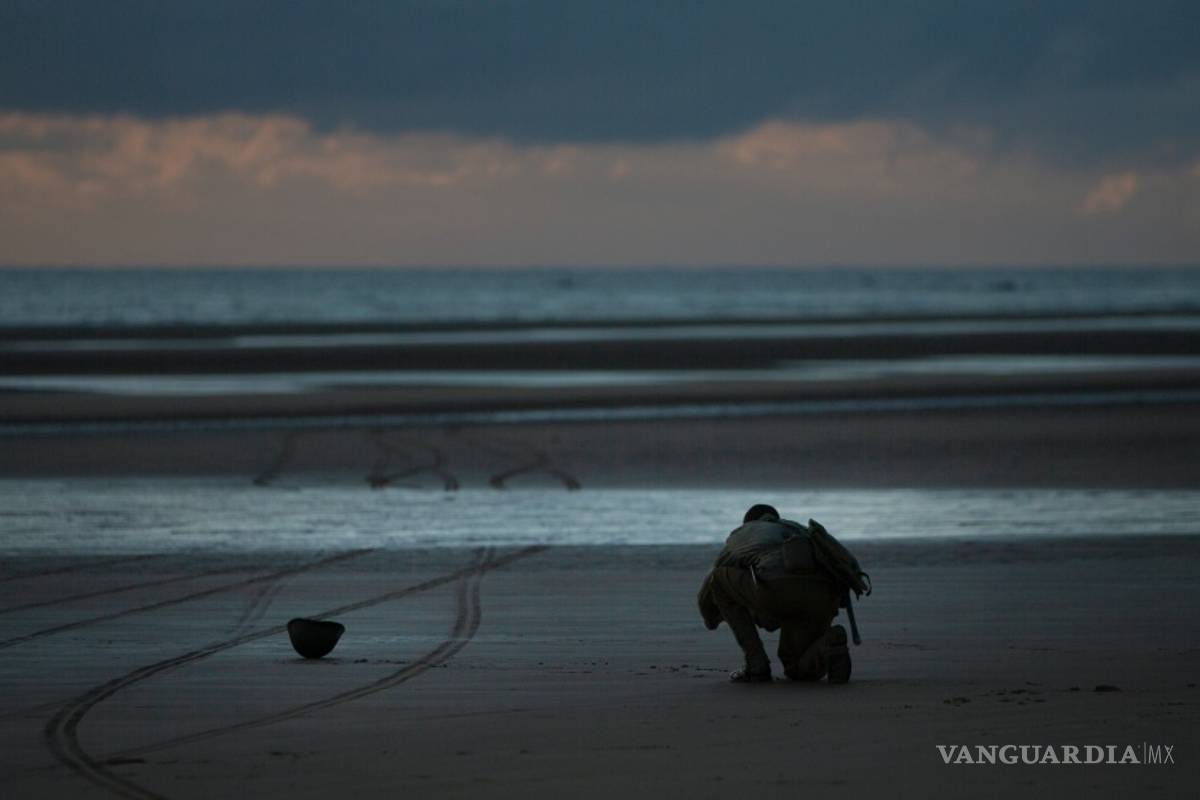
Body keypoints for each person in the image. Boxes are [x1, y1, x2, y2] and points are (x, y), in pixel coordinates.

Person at [698, 503, 851, 683]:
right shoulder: (800, 530)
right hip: (824, 596)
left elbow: (713, 580)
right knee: (796, 670)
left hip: (781, 592)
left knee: (720, 578)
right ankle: (831, 644)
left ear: (747, 522)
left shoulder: (744, 532)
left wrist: (710, 619)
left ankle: (756, 666)